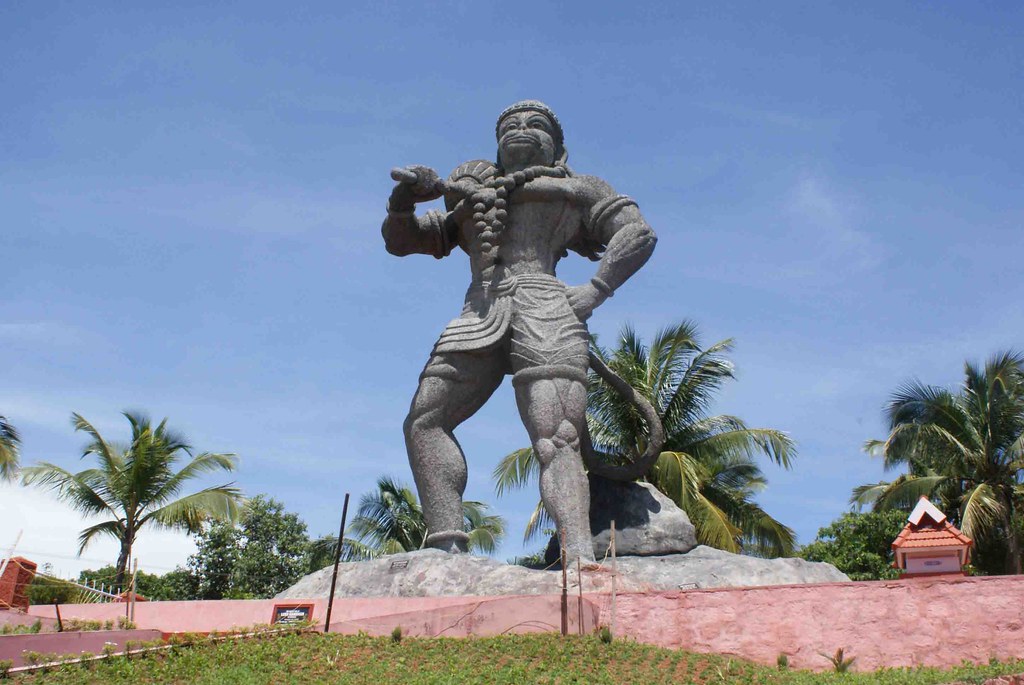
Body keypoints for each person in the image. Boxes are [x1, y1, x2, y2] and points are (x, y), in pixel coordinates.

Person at [382, 100, 657, 561]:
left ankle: (577, 555)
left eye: (535, 125)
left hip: (548, 309)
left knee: (557, 438)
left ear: (558, 147)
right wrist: (404, 200)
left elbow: (637, 233)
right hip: (479, 311)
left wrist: (595, 289)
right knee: (424, 421)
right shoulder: (473, 192)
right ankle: (445, 542)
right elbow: (404, 240)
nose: (521, 129)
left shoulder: (578, 188)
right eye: (510, 125)